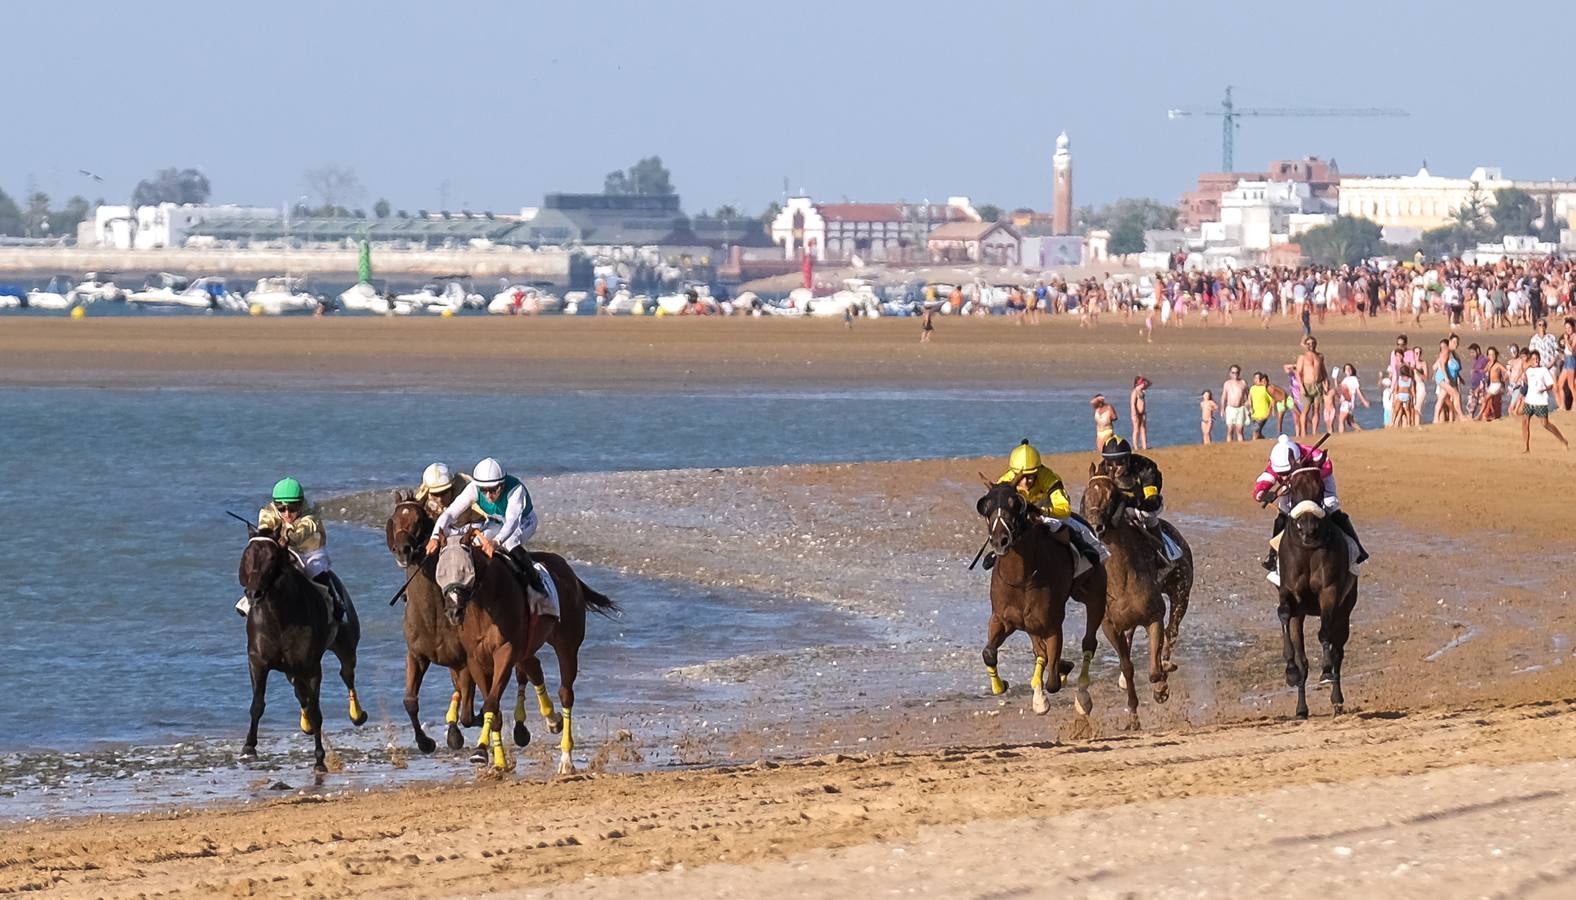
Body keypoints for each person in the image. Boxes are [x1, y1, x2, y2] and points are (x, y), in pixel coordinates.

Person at [425, 457, 551, 606]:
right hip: (496, 522)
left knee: (510, 542)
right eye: (483, 491)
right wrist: (434, 536)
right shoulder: (473, 489)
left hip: (523, 522)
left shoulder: (516, 490)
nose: (488, 496)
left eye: (493, 490)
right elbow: (450, 514)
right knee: (472, 543)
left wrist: (496, 542)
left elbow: (512, 522)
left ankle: (536, 583)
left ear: (502, 484)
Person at [1251, 436, 1368, 581]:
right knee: (1283, 513)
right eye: (1282, 474)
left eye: (1287, 472)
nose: (1284, 475)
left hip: (1320, 479)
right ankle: (1273, 558)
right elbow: (1261, 485)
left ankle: (1358, 548)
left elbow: (1327, 467)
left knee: (1332, 506)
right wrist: (1262, 494)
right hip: (1293, 486)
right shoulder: (1276, 461)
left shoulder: (1312, 453)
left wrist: (1311, 476)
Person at [239, 477, 348, 621]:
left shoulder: (310, 515)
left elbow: (303, 530)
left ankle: (336, 602)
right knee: (263, 567)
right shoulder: (267, 512)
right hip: (283, 550)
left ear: (301, 504)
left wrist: (289, 538)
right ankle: (249, 598)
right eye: (281, 508)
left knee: (317, 571)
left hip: (310, 551)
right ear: (275, 505)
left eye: (292, 508)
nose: (287, 514)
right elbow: (266, 526)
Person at [987, 440, 1106, 571]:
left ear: (1037, 472)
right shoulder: (1004, 481)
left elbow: (1064, 509)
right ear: (1014, 473)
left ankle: (1085, 547)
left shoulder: (1050, 478)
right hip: (1020, 517)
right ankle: (996, 553)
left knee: (1068, 527)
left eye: (1030, 477)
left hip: (1046, 513)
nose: (1025, 482)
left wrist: (1043, 511)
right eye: (1021, 477)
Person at [1097, 436, 1179, 571]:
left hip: (1145, 505)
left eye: (1119, 463)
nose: (1114, 468)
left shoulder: (1145, 468)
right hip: (1117, 506)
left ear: (1128, 460)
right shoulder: (1102, 469)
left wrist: (1129, 503)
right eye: (1110, 463)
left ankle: (1160, 553)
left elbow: (1152, 501)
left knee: (1147, 516)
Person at [1521, 348, 1569, 453]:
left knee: (1545, 424)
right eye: (1534, 359)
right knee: (1525, 422)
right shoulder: (1528, 370)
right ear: (1531, 360)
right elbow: (1525, 375)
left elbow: (1550, 385)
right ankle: (1526, 448)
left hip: (1541, 401)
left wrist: (1544, 389)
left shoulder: (1543, 370)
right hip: (1529, 400)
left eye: (1537, 358)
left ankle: (1563, 440)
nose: (1536, 360)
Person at [1222, 365, 1248, 441]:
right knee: (1230, 429)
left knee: (1239, 430)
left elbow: (1248, 395)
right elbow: (1224, 397)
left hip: (1240, 408)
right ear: (1230, 373)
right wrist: (1222, 409)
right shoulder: (1227, 383)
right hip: (1230, 408)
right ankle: (1229, 447)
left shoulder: (1243, 383)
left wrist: (1248, 406)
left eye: (1236, 373)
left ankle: (1241, 448)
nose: (1235, 375)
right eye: (1233, 373)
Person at [1247, 372, 1274, 440]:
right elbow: (1250, 397)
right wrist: (1250, 408)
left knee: (1255, 431)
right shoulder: (1252, 388)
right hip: (1254, 414)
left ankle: (1254, 446)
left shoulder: (1265, 388)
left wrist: (1270, 411)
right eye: (1255, 378)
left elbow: (1272, 400)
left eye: (1258, 378)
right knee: (1258, 431)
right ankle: (1262, 439)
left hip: (1263, 414)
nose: (1257, 380)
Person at [1130, 376, 1151, 450]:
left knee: (1143, 429)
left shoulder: (1142, 391)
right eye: (1142, 383)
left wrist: (1145, 379)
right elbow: (1132, 404)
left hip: (1142, 413)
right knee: (1136, 429)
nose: (1144, 384)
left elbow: (1150, 383)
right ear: (1138, 384)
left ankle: (1144, 446)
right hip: (1136, 413)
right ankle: (1135, 446)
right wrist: (1134, 413)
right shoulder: (1135, 392)